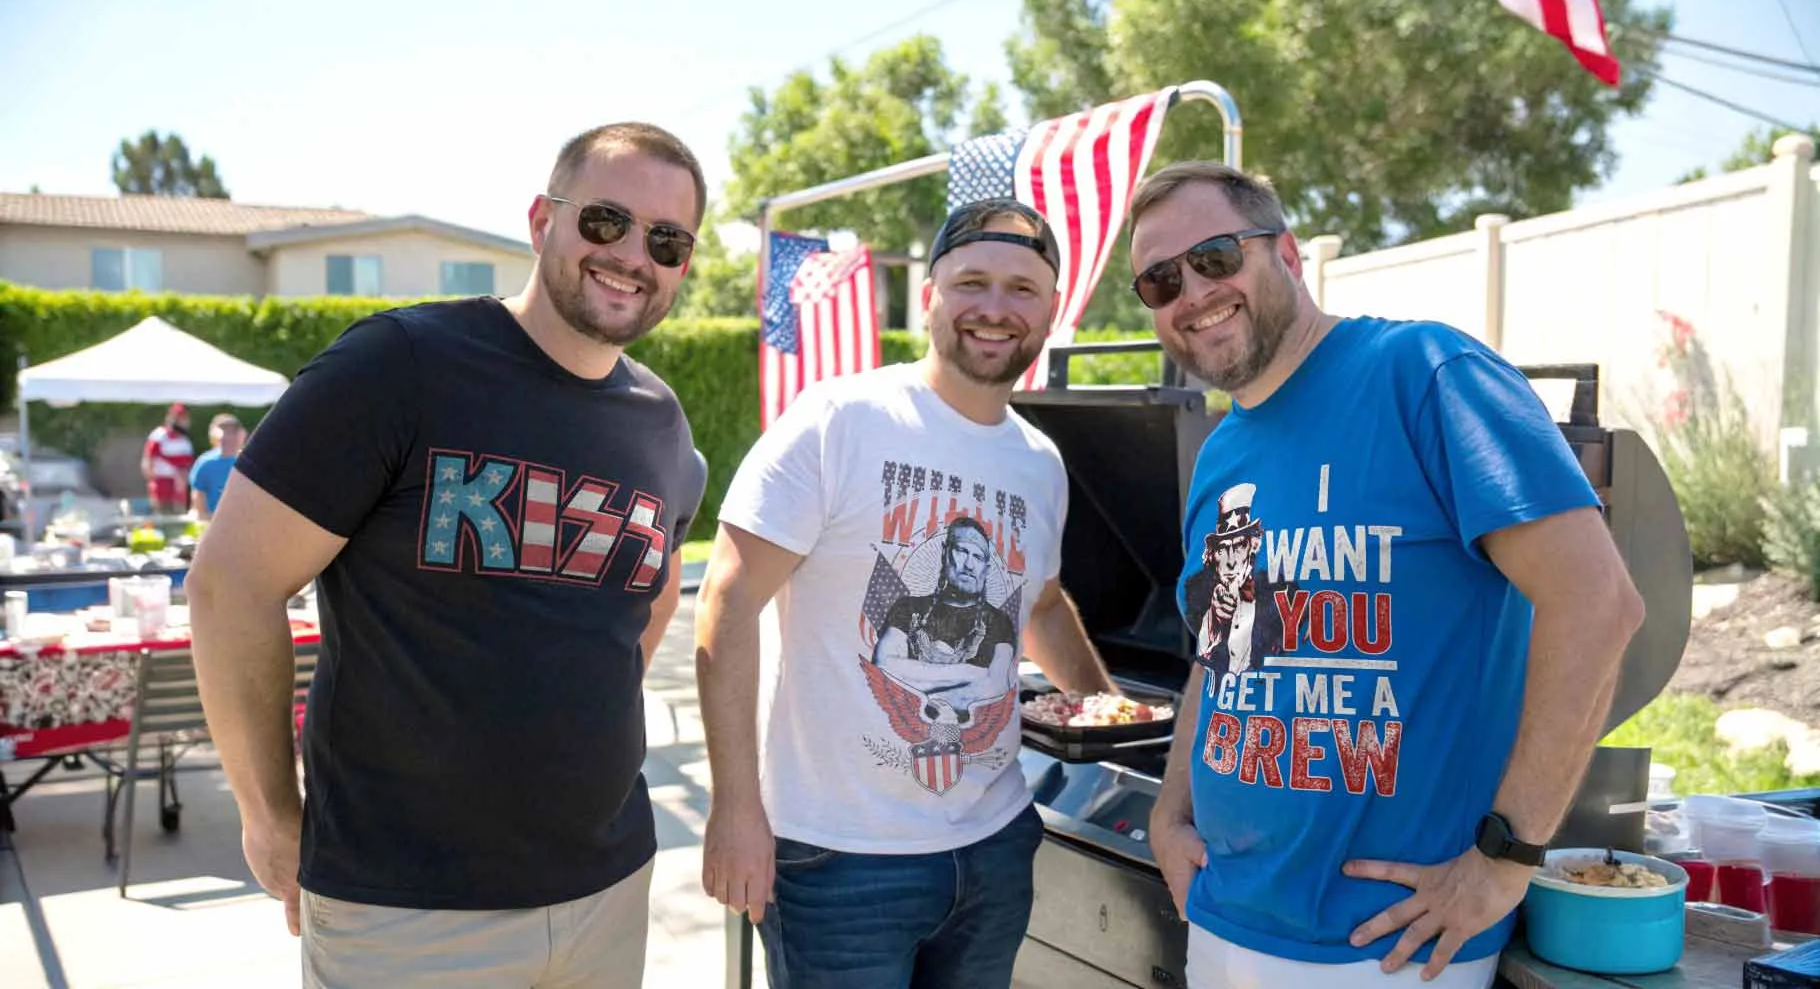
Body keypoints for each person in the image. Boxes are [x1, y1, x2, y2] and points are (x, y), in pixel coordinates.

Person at [185, 120, 710, 989]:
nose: (633, 256)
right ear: (544, 219)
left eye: (667, 241)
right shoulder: (401, 366)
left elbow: (645, 606)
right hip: (407, 911)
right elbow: (230, 585)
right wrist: (269, 815)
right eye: (607, 221)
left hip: (609, 886)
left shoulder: (663, 425)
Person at [1127, 162, 1646, 988]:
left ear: (1287, 255)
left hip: (1390, 950)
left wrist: (1506, 858)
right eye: (1160, 281)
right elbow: (1223, 652)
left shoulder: (1427, 374)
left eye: (1217, 257)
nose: (1191, 291)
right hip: (1223, 917)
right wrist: (1169, 807)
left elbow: (1598, 605)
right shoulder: (1223, 451)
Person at [695, 197, 1119, 989]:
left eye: (1022, 290)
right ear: (929, 295)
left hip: (995, 843)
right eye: (972, 283)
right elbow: (727, 600)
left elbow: (1042, 604)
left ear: (1052, 310)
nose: (995, 310)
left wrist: (1110, 713)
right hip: (839, 857)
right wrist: (735, 809)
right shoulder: (841, 419)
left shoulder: (1040, 462)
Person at [188, 412, 245, 519]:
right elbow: (198, 501)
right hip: (212, 523)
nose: (227, 437)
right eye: (224, 432)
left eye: (231, 432)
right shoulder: (205, 463)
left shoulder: (248, 462)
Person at [141, 403, 194, 514]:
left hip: (178, 485)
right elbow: (148, 459)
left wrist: (182, 483)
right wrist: (152, 481)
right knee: (161, 514)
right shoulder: (159, 435)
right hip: (161, 482)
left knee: (178, 514)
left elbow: (187, 466)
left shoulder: (184, 441)